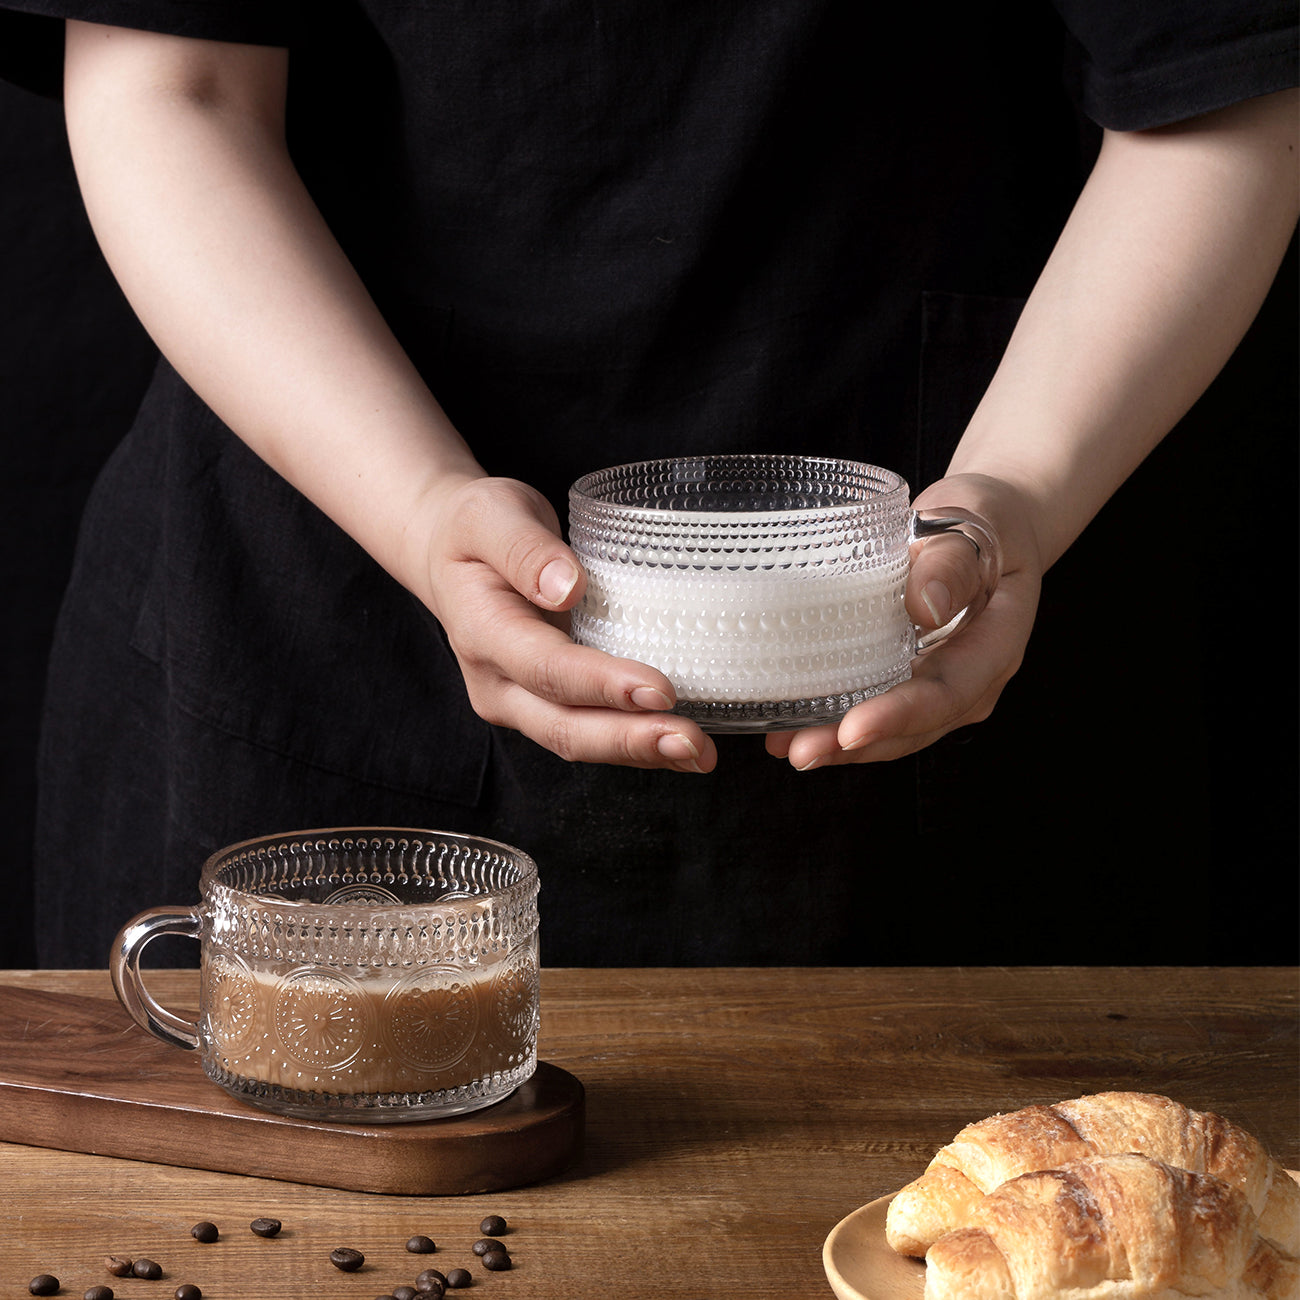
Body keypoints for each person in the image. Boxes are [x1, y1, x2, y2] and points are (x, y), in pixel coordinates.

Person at [1, 1, 1295, 968]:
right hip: (322, 647)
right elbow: (174, 86)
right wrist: (420, 504)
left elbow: (1222, 90)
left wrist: (1014, 494)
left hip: (958, 696)